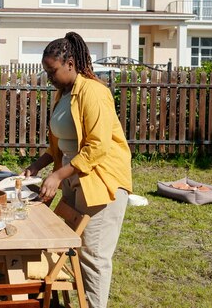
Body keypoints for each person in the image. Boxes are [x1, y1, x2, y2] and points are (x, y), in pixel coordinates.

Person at [23, 32, 132, 308]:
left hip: (102, 183)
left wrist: (59, 174)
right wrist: (38, 165)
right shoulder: (64, 93)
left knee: (93, 256)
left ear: (70, 63)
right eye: (46, 71)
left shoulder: (94, 92)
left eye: (52, 70)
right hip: (75, 180)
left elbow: (97, 146)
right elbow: (59, 145)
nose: (49, 77)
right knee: (72, 248)